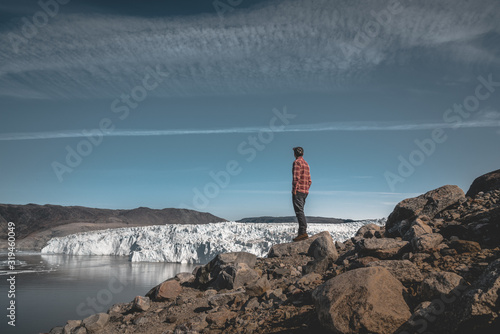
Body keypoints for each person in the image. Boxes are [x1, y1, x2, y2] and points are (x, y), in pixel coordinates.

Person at [292, 147, 312, 242]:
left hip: (299, 191)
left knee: (299, 211)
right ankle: (301, 233)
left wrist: (294, 190)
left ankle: (302, 233)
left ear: (295, 154)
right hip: (305, 192)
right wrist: (306, 189)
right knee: (301, 211)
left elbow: (296, 178)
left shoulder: (297, 163)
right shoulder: (306, 164)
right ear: (303, 154)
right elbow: (309, 181)